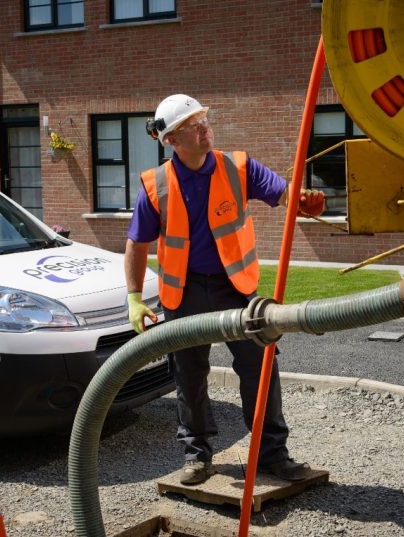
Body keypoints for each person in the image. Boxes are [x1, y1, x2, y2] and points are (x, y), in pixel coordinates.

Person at [123, 94, 326, 486]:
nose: (204, 129)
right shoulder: (156, 185)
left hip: (236, 287)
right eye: (193, 126)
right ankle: (197, 456)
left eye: (204, 120)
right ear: (171, 141)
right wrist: (133, 297)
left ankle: (272, 455)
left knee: (260, 366)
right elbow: (137, 243)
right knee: (189, 375)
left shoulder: (238, 167)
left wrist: (302, 202)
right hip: (182, 293)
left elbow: (283, 193)